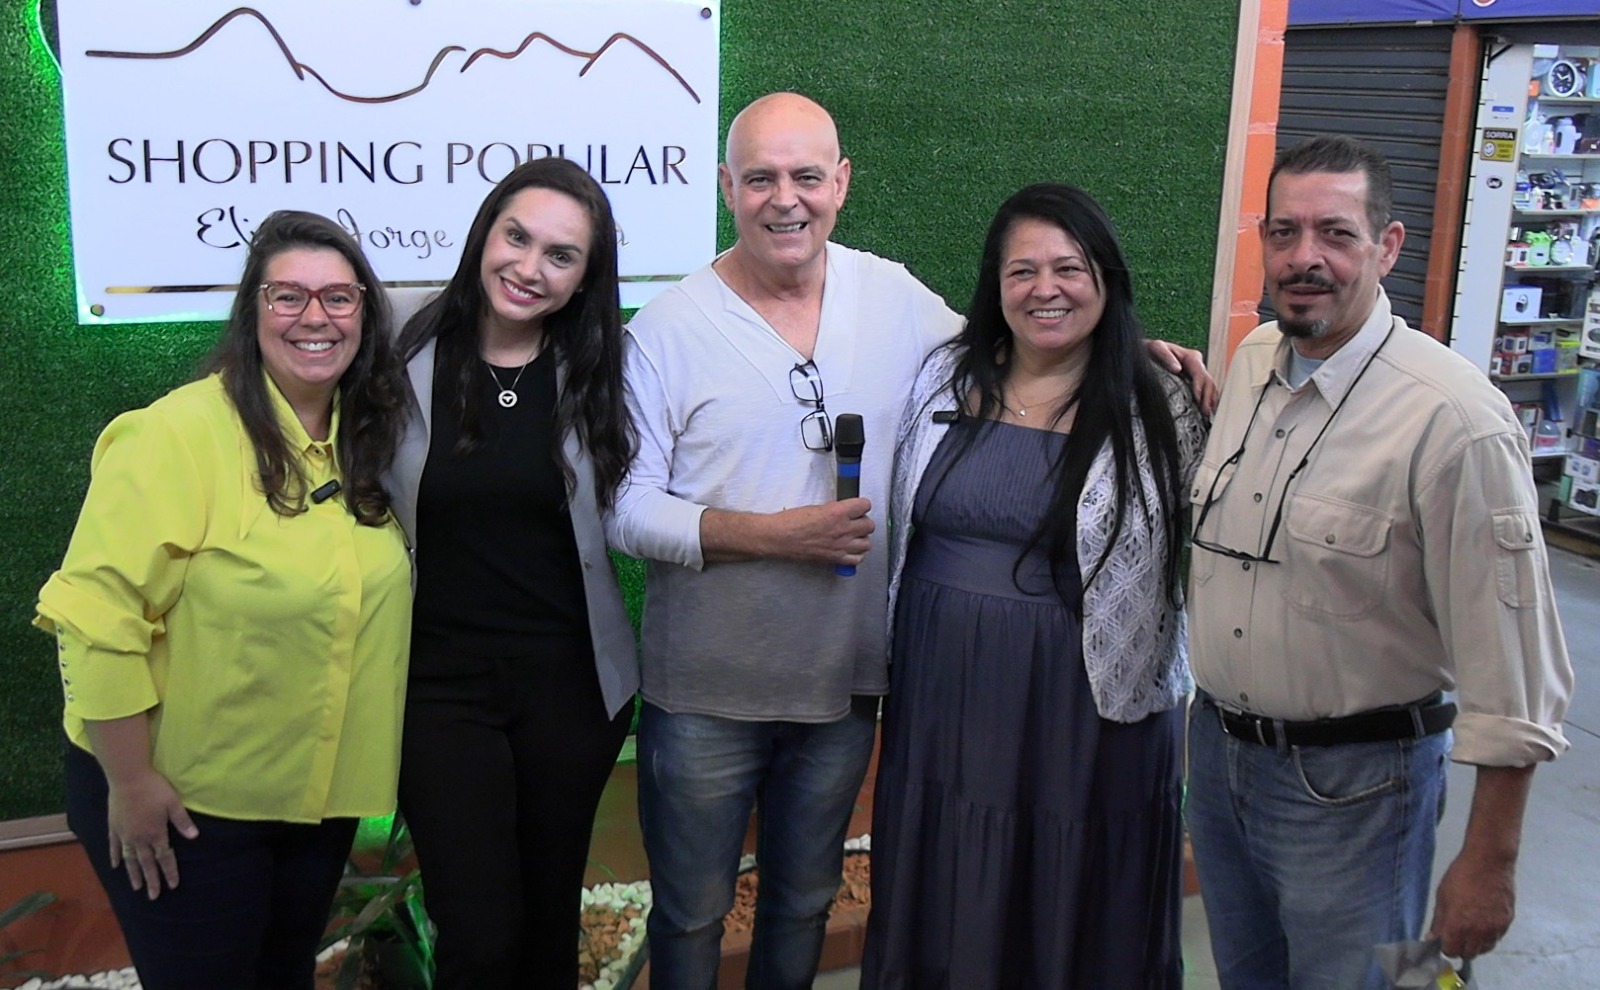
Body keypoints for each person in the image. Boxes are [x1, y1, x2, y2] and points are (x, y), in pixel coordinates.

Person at [608, 91, 1211, 990]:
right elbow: (625, 509)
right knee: (692, 912)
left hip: (847, 687)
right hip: (706, 690)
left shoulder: (891, 297)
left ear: (841, 183)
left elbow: (1028, 339)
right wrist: (771, 537)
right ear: (726, 187)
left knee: (804, 903)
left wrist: (1137, 352)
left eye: (807, 176)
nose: (786, 199)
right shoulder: (665, 330)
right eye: (761, 178)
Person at [1184, 135, 1574, 990]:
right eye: (1284, 232)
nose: (1305, 258)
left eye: (1335, 233)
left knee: (1373, 982)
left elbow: (1515, 669)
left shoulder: (1455, 419)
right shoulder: (1252, 363)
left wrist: (1490, 861)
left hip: (1360, 791)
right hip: (1219, 762)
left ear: (1387, 246)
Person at [36, 211, 412, 989]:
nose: (315, 316)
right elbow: (95, 618)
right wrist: (130, 785)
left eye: (339, 297)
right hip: (182, 804)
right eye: (288, 295)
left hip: (311, 803)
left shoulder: (364, 440)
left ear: (365, 316)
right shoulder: (176, 436)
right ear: (252, 311)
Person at [862, 182, 1207, 989]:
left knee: (1072, 887)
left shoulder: (1160, 403)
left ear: (1106, 280)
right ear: (996, 284)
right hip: (943, 702)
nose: (1045, 289)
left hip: (1086, 713)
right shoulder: (941, 378)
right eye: (1022, 271)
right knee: (946, 876)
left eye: (1068, 268)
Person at [386, 156, 639, 989]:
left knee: (545, 929)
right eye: (517, 237)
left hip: (571, 691)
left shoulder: (604, 369)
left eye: (560, 256)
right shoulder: (399, 335)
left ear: (584, 279)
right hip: (437, 690)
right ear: (484, 234)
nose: (529, 267)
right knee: (480, 936)